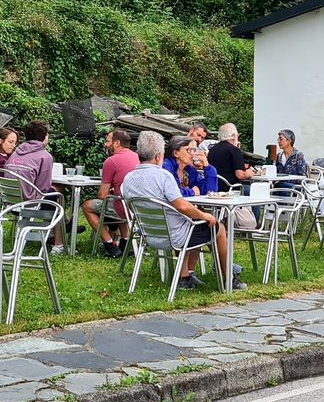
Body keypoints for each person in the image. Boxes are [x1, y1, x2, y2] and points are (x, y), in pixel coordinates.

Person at [121, 131, 245, 291]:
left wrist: (207, 169)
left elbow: (205, 192)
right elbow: (182, 206)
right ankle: (228, 278)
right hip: (175, 236)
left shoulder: (129, 178)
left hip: (149, 236)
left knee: (195, 223)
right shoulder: (164, 176)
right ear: (159, 156)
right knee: (217, 228)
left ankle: (185, 277)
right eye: (189, 150)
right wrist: (205, 215)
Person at [4, 120, 73, 252]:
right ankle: (59, 244)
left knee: (54, 192)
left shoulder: (16, 152)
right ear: (44, 136)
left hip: (11, 202)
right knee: (58, 195)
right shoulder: (44, 156)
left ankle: (60, 228)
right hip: (30, 203)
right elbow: (43, 188)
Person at [82, 129, 139, 258]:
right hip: (136, 206)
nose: (105, 144)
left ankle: (109, 244)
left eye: (108, 141)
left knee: (87, 206)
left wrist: (110, 190)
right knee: (119, 200)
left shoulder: (111, 161)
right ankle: (125, 241)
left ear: (117, 143)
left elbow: (102, 195)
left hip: (122, 206)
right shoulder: (136, 156)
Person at [207, 123, 255, 189]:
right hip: (231, 188)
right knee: (258, 191)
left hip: (214, 187)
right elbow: (240, 175)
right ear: (234, 136)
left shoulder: (212, 149)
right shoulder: (234, 150)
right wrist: (250, 173)